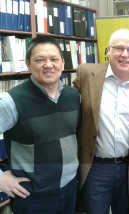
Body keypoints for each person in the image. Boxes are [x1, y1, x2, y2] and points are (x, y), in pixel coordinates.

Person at [73, 28, 129, 214]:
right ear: (108, 50)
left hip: (128, 168)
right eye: (119, 48)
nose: (125, 54)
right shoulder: (87, 74)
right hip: (95, 167)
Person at [0, 36, 81, 214]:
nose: (48, 64)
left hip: (69, 190)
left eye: (53, 59)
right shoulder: (11, 101)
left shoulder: (74, 96)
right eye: (40, 60)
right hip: (32, 197)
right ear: (28, 64)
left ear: (62, 62)